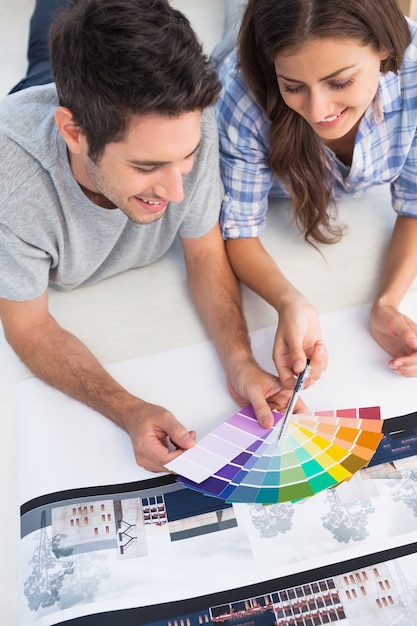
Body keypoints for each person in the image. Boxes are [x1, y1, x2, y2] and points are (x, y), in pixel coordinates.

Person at [0, 0, 307, 474]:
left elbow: (205, 253)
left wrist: (239, 362)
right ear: (73, 132)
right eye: (147, 167)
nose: (178, 191)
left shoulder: (187, 120)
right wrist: (128, 409)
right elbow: (29, 326)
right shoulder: (13, 187)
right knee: (51, 46)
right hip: (37, 112)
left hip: (89, 107)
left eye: (186, 158)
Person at [216, 0, 417, 385]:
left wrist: (387, 302)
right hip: (236, 61)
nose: (318, 109)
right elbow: (238, 229)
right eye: (292, 86)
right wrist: (289, 301)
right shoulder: (241, 93)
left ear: (385, 48)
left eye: (340, 82)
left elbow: (415, 204)